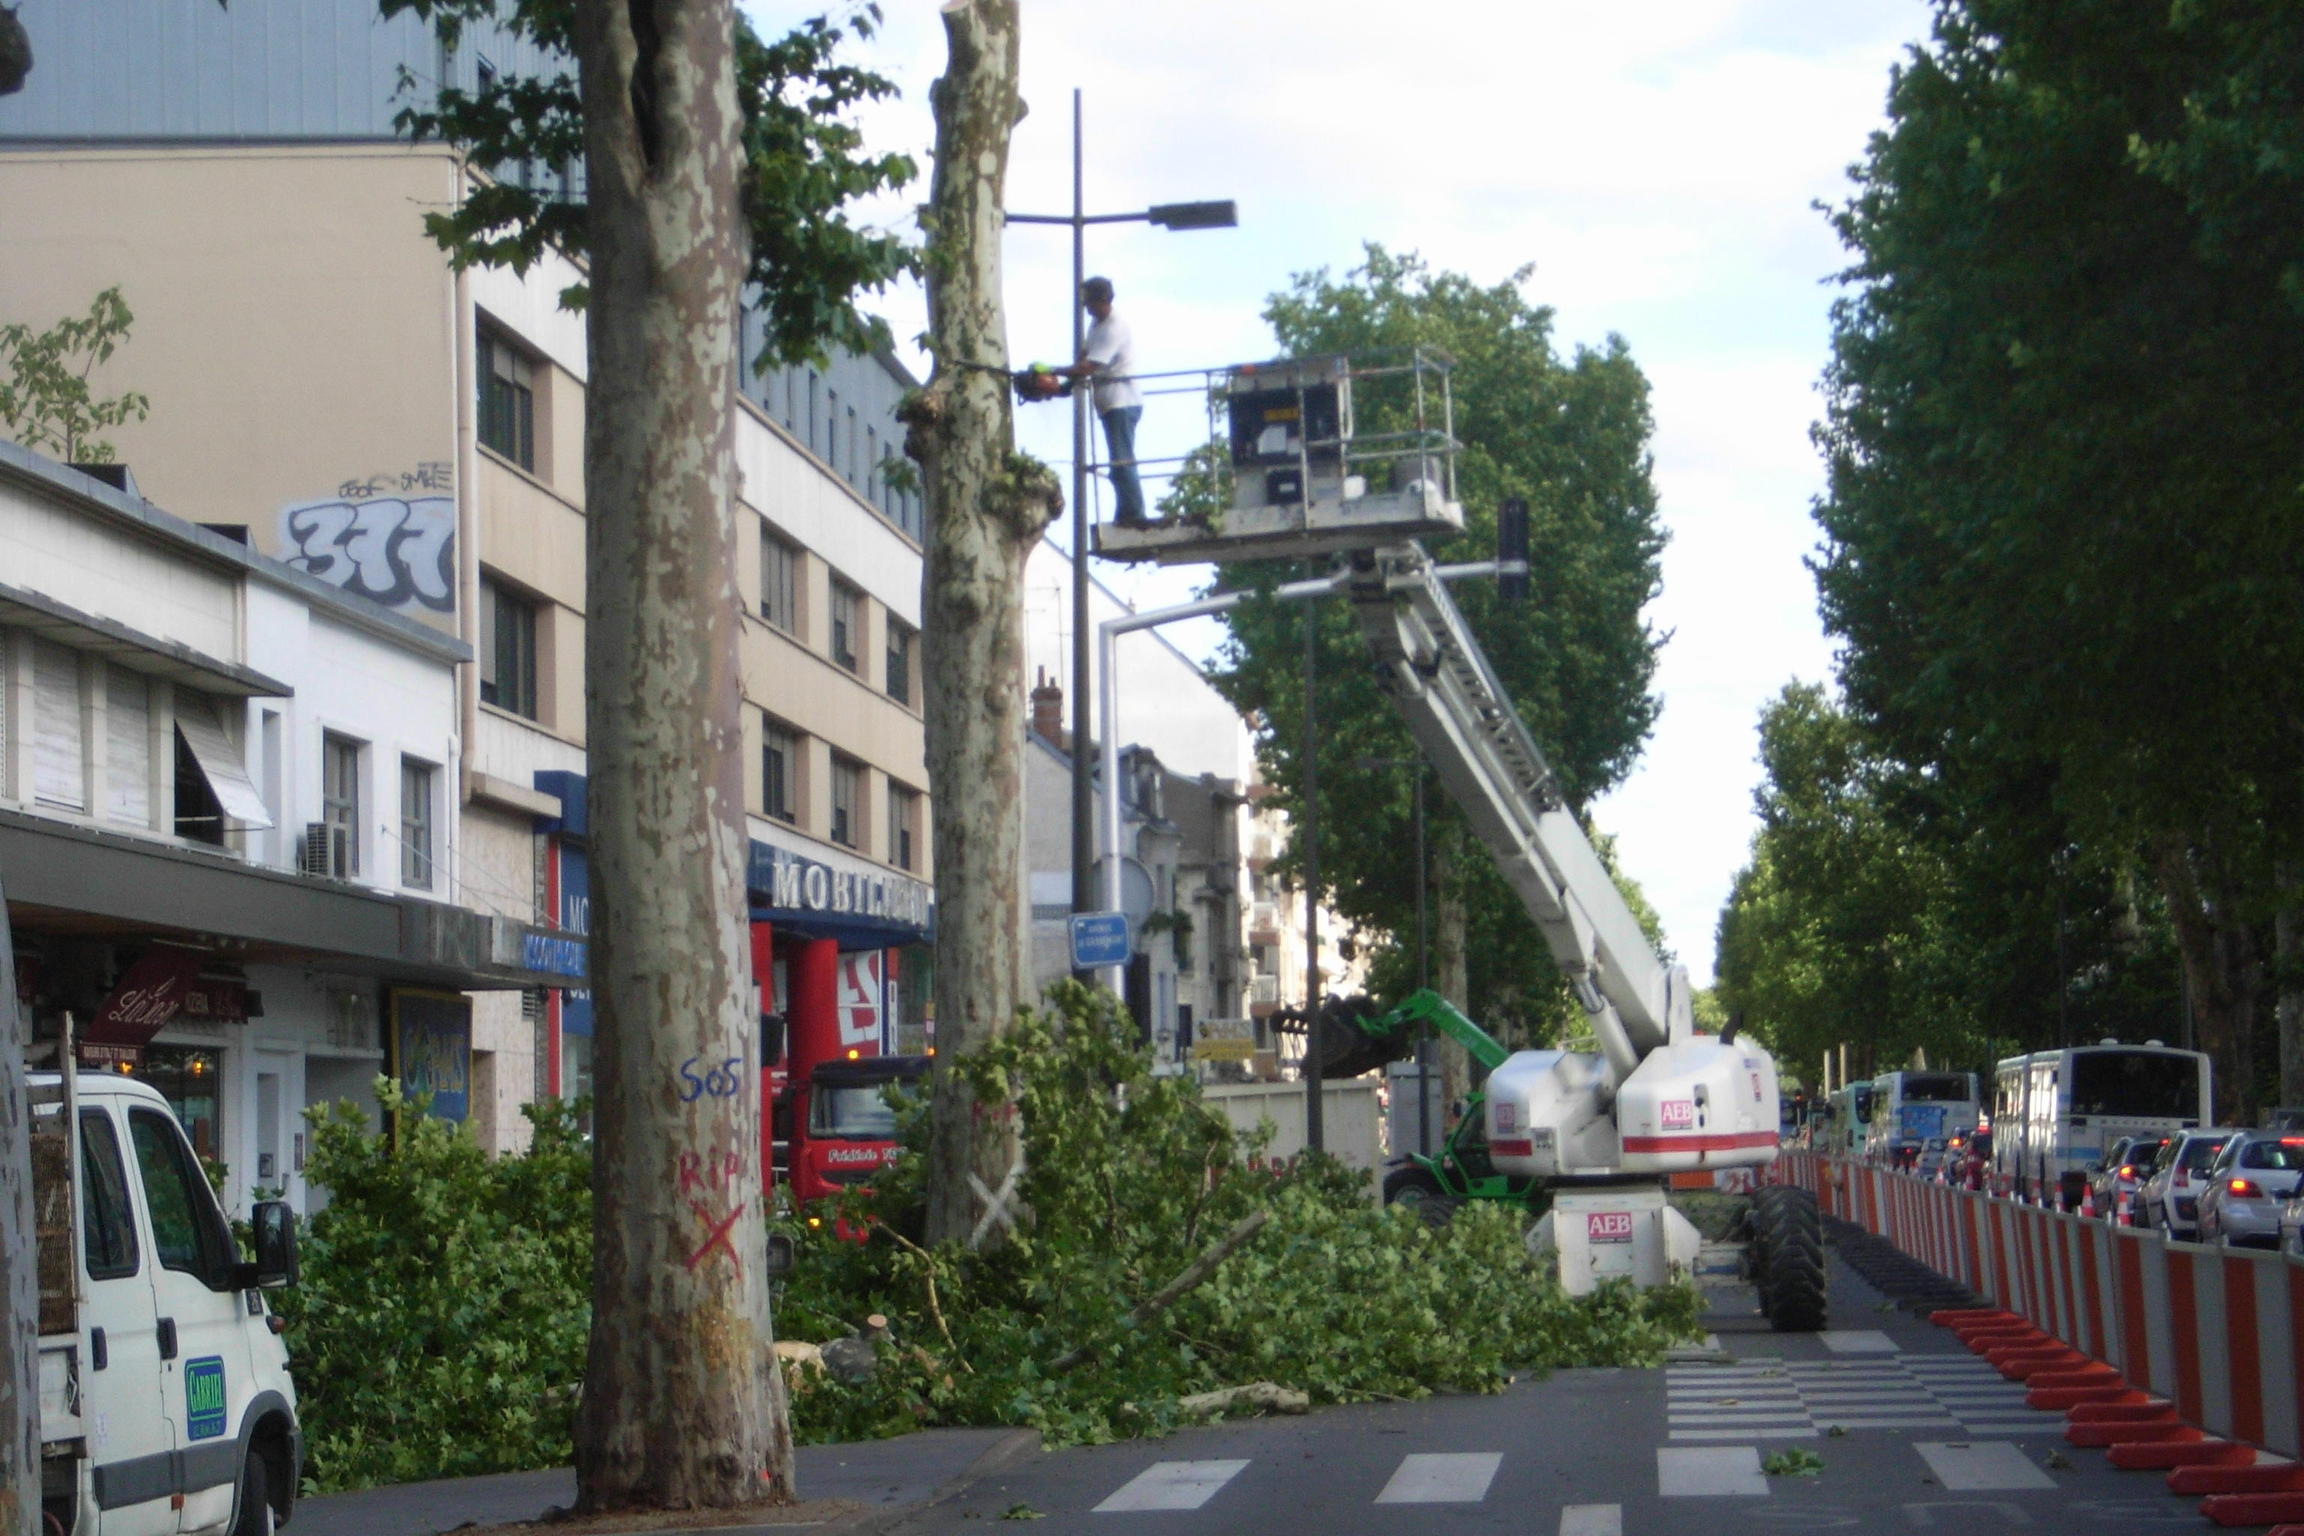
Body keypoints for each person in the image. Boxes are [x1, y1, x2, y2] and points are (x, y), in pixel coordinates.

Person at [1065, 276, 1146, 525]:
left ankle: (1134, 513)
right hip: (1109, 403)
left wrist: (1055, 372)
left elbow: (1090, 366)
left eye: (1089, 302)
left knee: (1122, 461)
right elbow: (1084, 356)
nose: (1086, 307)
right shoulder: (1096, 325)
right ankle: (1125, 510)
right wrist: (1065, 385)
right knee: (1117, 462)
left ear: (1102, 300)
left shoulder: (1114, 328)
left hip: (1122, 401)